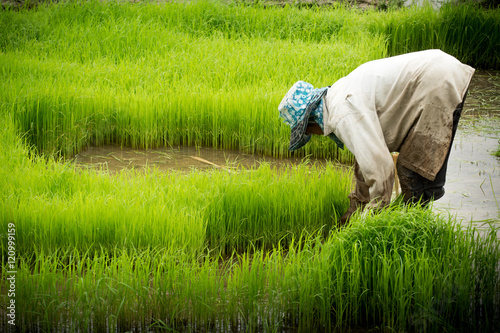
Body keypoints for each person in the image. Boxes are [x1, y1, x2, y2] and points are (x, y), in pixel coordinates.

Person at [278, 49, 474, 225]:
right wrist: (354, 209)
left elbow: (380, 170)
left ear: (311, 122)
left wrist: (370, 223)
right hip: (436, 73)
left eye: (308, 132)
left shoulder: (342, 112)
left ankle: (413, 236)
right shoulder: (337, 96)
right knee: (410, 175)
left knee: (414, 172)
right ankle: (409, 228)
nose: (314, 136)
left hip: (437, 81)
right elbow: (367, 161)